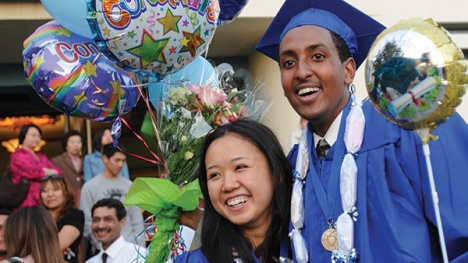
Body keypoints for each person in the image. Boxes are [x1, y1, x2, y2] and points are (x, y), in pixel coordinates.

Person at [255, 0, 468, 262]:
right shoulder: (294, 167)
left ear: (348, 70)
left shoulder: (408, 124)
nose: (301, 72)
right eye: (288, 63)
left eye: (317, 56)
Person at [175, 119, 293, 262]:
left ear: (277, 172)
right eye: (214, 175)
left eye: (240, 167)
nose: (228, 185)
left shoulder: (310, 245)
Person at [80, 144, 145, 256]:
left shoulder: (130, 185)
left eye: (123, 161)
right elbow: (87, 222)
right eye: (117, 160)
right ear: (105, 159)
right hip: (103, 250)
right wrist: (102, 247)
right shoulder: (90, 187)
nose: (120, 164)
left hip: (130, 249)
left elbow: (137, 220)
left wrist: (140, 249)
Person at [10, 124, 62, 208]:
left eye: (38, 136)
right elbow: (33, 172)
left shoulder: (41, 156)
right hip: (26, 200)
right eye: (33, 135)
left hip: (43, 199)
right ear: (23, 136)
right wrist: (46, 171)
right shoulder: (17, 156)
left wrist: (45, 171)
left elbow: (58, 171)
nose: (37, 138)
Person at [85, 198, 146, 263]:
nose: (100, 226)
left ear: (122, 222)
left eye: (108, 219)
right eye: (96, 220)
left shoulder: (139, 257)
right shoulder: (91, 261)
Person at [40, 175, 84, 263]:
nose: (49, 194)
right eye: (44, 191)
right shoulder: (38, 217)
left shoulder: (75, 215)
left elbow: (57, 246)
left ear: (66, 192)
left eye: (55, 190)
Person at [51, 130, 85, 207]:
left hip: (82, 199)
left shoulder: (85, 161)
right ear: (66, 145)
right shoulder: (57, 161)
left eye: (78, 142)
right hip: (66, 199)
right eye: (72, 142)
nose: (75, 145)